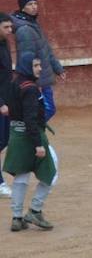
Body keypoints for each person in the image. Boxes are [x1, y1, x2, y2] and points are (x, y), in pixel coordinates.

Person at [5, 54, 56, 233]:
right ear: (27, 67)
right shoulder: (31, 88)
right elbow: (30, 118)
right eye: (35, 65)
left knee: (22, 174)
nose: (39, 68)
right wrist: (38, 144)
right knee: (52, 171)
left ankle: (17, 218)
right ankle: (35, 209)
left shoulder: (14, 83)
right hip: (31, 135)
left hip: (16, 135)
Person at [12, 0, 63, 121]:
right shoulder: (25, 29)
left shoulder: (32, 24)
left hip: (42, 76)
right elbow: (27, 58)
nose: (34, 7)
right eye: (29, 4)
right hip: (36, 79)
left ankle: (35, 134)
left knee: (45, 110)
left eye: (35, 3)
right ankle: (33, 135)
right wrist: (33, 80)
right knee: (45, 110)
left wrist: (58, 68)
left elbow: (45, 49)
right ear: (22, 8)